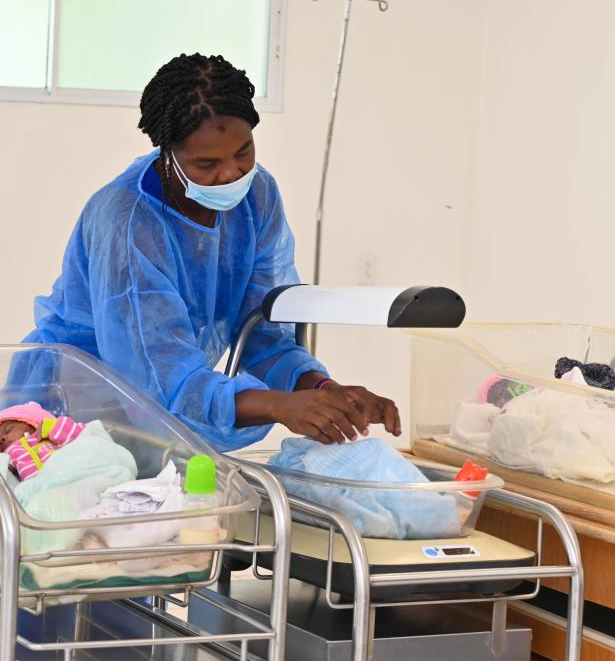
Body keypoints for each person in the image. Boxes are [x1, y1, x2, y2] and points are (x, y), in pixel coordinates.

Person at [23, 53, 401, 452]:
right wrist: (281, 405)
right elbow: (159, 381)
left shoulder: (257, 196)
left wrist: (326, 391)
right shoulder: (127, 221)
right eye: (206, 163)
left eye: (243, 152)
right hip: (74, 409)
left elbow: (263, 332)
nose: (230, 174)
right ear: (167, 150)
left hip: (158, 418)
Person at [0, 402, 86, 480]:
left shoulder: (55, 437)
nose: (1, 439)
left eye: (8, 430)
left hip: (74, 473)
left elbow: (85, 435)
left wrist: (51, 427)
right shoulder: (8, 460)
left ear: (33, 424)